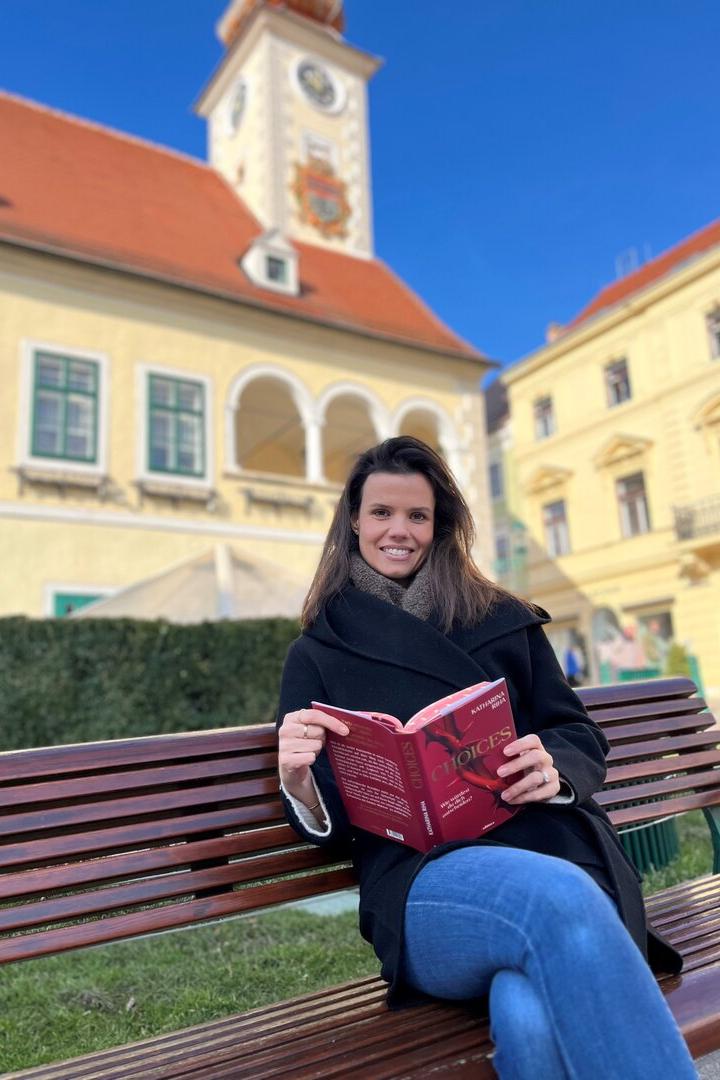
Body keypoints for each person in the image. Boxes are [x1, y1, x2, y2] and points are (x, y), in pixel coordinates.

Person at [277, 436, 696, 1080]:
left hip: (550, 844)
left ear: (440, 525)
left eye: (418, 516)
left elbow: (576, 731)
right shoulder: (318, 651)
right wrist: (299, 780)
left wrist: (553, 768)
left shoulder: (499, 616)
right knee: (558, 901)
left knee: (528, 1014)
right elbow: (326, 828)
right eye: (382, 512)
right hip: (421, 885)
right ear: (353, 521)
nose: (399, 530)